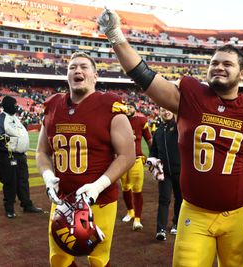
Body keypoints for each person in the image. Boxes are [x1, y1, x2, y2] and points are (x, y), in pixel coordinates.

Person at [98, 9, 243, 266]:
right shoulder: (190, 97)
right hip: (195, 212)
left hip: (241, 215)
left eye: (227, 64)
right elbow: (144, 75)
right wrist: (115, 36)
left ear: (242, 74)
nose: (219, 67)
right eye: (214, 62)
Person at [36, 51, 135, 267]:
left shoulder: (109, 104)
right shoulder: (53, 106)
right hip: (63, 200)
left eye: (84, 67)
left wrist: (99, 186)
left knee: (98, 260)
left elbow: (128, 154)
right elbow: (42, 151)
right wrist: (47, 175)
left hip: (99, 201)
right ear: (67, 75)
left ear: (95, 76)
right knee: (59, 259)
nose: (78, 70)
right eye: (72, 67)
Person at [0, 96, 43, 219]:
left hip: (21, 156)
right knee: (10, 182)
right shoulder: (0, 119)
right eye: (14, 105)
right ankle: (9, 208)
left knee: (23, 181)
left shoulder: (15, 118)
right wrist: (2, 138)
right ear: (8, 105)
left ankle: (26, 205)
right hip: (8, 156)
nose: (16, 107)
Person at [148, 107, 182, 241]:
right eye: (163, 110)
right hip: (164, 173)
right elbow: (153, 152)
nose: (166, 112)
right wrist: (152, 161)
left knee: (180, 199)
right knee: (164, 200)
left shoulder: (180, 127)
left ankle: (176, 223)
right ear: (159, 112)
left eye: (168, 109)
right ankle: (160, 229)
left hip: (180, 171)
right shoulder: (157, 132)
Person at [120, 101, 152, 231]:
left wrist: (154, 154)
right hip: (121, 160)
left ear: (135, 108)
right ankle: (130, 212)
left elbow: (149, 139)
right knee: (125, 187)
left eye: (130, 106)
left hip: (136, 158)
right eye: (126, 106)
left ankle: (137, 219)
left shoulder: (140, 121)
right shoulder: (118, 121)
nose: (128, 109)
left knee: (137, 189)